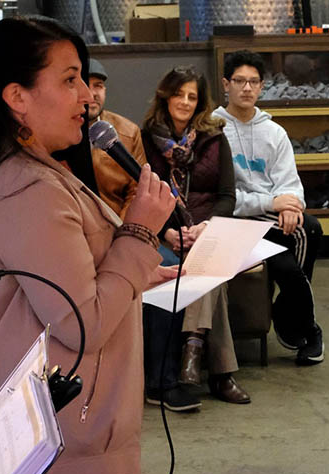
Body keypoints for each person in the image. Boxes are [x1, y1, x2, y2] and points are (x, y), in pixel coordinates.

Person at [0, 17, 178, 474]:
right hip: (61, 457)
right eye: (69, 80)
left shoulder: (29, 176)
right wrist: (142, 229)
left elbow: (44, 295)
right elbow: (81, 326)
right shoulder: (28, 189)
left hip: (58, 448)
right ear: (17, 97)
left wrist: (128, 275)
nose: (87, 96)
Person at [141, 66, 250, 406]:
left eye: (192, 96)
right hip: (165, 230)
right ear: (165, 96)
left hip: (208, 228)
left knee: (209, 262)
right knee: (191, 270)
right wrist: (168, 232)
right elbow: (139, 192)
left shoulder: (215, 136)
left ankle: (192, 352)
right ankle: (220, 374)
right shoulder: (145, 138)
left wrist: (206, 227)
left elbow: (227, 196)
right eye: (179, 94)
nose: (185, 102)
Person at [212, 50, 325, 366]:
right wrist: (271, 202)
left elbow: (290, 184)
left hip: (270, 222)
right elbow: (223, 198)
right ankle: (305, 328)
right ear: (226, 84)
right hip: (233, 223)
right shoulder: (213, 129)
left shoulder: (274, 132)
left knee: (307, 230)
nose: (246, 88)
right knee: (295, 254)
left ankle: (289, 312)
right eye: (239, 81)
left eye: (253, 82)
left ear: (262, 86)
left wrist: (289, 205)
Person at [86, 57, 146, 217]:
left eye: (98, 86)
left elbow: (137, 189)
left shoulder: (128, 132)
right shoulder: (57, 133)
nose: (92, 94)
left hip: (117, 225)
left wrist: (123, 230)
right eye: (86, 85)